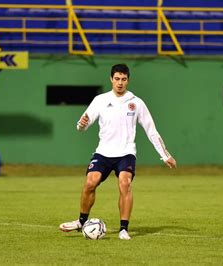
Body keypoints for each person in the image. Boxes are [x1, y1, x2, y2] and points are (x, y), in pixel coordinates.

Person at [59, 64, 177, 240]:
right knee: (90, 183)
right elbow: (81, 125)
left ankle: (123, 229)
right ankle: (81, 222)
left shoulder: (136, 102)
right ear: (111, 79)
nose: (120, 83)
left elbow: (151, 131)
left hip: (126, 153)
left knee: (124, 183)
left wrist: (165, 155)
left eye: (123, 79)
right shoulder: (100, 100)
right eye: (117, 79)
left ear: (128, 80)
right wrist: (81, 125)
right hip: (103, 152)